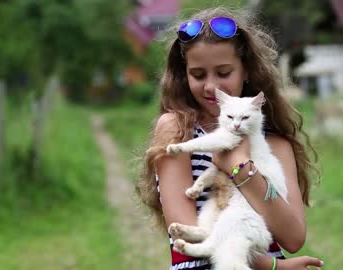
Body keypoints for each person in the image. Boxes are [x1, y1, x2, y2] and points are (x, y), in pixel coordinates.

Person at [138, 7, 324, 270]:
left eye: (224, 73)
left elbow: (293, 237)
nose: (211, 86)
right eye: (198, 75)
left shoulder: (275, 145)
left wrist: (239, 167)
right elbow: (184, 230)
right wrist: (274, 267)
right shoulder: (177, 130)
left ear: (246, 70)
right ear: (184, 74)